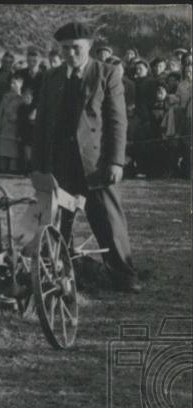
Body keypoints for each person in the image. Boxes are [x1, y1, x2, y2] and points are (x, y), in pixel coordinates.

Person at [33, 21, 138, 293]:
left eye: (76, 48)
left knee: (109, 221)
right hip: (60, 164)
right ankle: (59, 273)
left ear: (89, 47)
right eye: (65, 48)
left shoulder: (107, 73)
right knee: (56, 223)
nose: (70, 54)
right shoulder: (52, 78)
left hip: (96, 165)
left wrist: (116, 161)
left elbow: (117, 121)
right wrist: (39, 165)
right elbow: (43, 123)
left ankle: (124, 276)